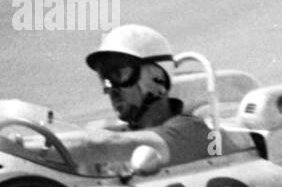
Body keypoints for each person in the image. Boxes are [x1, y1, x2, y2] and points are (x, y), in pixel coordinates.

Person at [82, 24, 210, 167]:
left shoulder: (192, 131)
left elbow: (105, 144)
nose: (111, 89)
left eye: (120, 75)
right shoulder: (116, 133)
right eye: (105, 79)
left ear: (157, 77)